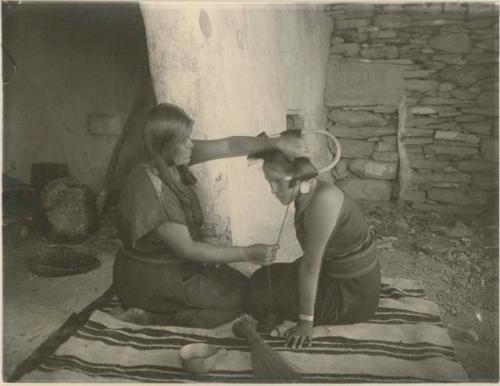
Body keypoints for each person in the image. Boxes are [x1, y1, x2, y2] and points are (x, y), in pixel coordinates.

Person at [112, 103, 308, 328]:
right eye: (182, 141)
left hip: (172, 265)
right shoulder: (150, 188)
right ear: (166, 145)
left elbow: (229, 145)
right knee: (239, 300)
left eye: (189, 137)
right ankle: (153, 316)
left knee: (242, 285)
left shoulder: (171, 157)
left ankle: (164, 309)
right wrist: (247, 253)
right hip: (149, 277)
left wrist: (277, 143)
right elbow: (189, 249)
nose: (190, 145)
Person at [243, 148, 381, 348]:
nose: (273, 190)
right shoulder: (309, 193)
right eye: (268, 181)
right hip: (332, 273)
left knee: (258, 297)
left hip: (352, 294)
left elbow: (310, 266)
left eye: (278, 182)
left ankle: (291, 313)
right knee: (261, 278)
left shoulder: (324, 201)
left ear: (300, 180)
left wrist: (306, 323)